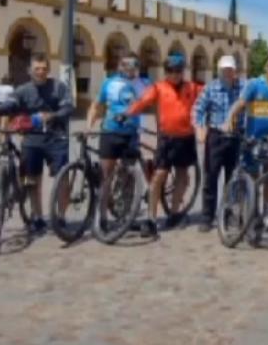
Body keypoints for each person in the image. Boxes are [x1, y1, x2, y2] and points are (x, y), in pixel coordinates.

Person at [0, 54, 73, 232]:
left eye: (44, 68)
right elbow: (10, 106)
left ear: (49, 70)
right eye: (37, 68)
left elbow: (68, 107)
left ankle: (61, 216)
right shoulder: (22, 90)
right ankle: (37, 216)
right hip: (32, 138)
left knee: (62, 178)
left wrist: (53, 115)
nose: (41, 72)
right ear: (30, 70)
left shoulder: (59, 87)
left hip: (56, 138)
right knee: (31, 179)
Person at [125, 53, 203, 237]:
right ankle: (151, 219)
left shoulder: (192, 87)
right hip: (167, 139)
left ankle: (174, 213)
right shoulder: (158, 87)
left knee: (182, 176)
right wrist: (127, 113)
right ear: (165, 71)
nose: (174, 74)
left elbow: (210, 96)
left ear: (182, 71)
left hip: (186, 137)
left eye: (178, 70)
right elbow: (143, 101)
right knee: (158, 176)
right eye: (170, 70)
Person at [226, 54, 268, 229]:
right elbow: (240, 103)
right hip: (251, 137)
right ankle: (249, 212)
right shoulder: (254, 84)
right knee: (251, 176)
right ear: (265, 67)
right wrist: (230, 117)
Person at [87, 53, 146, 229]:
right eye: (125, 65)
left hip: (131, 134)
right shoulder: (109, 83)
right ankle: (102, 216)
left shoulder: (142, 84)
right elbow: (96, 105)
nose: (129, 69)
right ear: (120, 66)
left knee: (128, 176)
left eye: (133, 66)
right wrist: (89, 126)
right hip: (110, 132)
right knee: (106, 176)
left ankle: (125, 215)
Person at [192, 54, 243, 233]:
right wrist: (199, 128)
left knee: (233, 178)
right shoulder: (211, 88)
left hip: (236, 137)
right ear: (219, 70)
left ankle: (229, 214)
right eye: (225, 69)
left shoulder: (242, 88)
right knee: (211, 177)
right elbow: (198, 109)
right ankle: (207, 215)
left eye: (231, 69)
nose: (228, 72)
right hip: (216, 136)